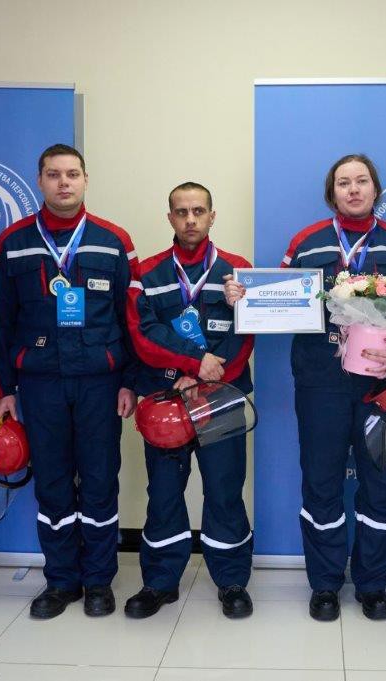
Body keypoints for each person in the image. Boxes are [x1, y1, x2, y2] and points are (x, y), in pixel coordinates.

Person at [226, 154, 386, 622]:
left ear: (375, 189)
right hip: (320, 385)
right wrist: (243, 296)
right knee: (321, 483)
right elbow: (273, 296)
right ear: (331, 192)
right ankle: (324, 584)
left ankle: (372, 586)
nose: (353, 189)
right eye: (344, 182)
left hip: (384, 388)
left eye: (362, 181)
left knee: (381, 485)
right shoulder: (307, 241)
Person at [0, 143, 138, 619]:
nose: (64, 182)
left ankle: (98, 580)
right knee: (52, 482)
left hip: (100, 381)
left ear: (86, 179)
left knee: (99, 480)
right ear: (40, 180)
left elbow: (130, 320)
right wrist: (4, 390)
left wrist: (129, 381)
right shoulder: (13, 241)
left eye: (72, 173)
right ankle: (61, 581)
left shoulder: (114, 240)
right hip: (41, 382)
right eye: (54, 174)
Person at [125, 182, 255, 619]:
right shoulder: (147, 273)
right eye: (181, 212)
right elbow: (142, 334)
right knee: (164, 492)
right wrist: (191, 364)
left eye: (198, 211)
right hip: (166, 399)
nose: (190, 219)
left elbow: (245, 334)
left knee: (224, 490)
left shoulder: (238, 270)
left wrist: (207, 374)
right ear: (170, 218)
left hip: (222, 397)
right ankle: (160, 582)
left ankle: (232, 580)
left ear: (212, 216)